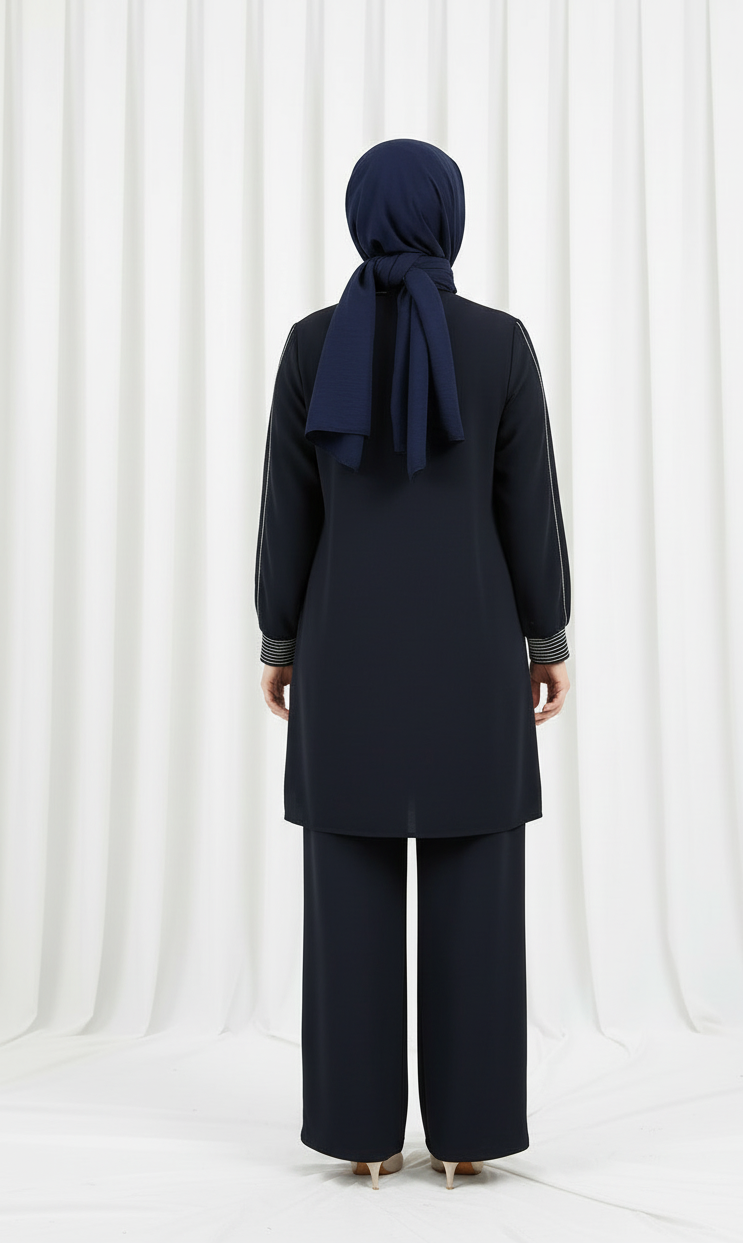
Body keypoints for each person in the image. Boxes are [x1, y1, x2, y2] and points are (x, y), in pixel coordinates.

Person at [254, 138, 571, 1191]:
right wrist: (547, 639)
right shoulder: (500, 344)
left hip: (345, 655)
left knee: (346, 898)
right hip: (472, 654)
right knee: (477, 894)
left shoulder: (313, 344)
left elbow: (287, 510)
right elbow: (528, 511)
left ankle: (361, 1136)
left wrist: (281, 640)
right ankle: (469, 1134)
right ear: (450, 214)